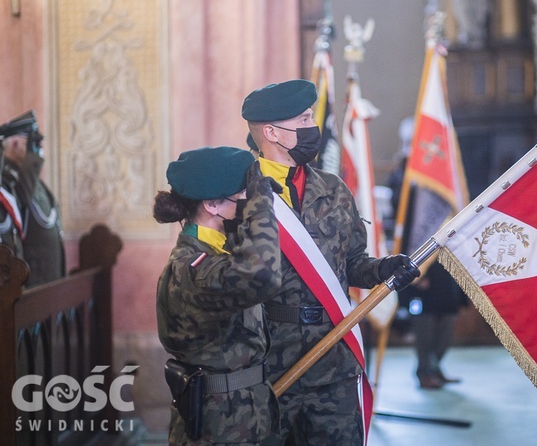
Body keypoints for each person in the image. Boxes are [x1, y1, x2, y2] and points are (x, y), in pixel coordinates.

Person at [241, 79, 420, 444]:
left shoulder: (333, 189)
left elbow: (352, 263)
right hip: (271, 362)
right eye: (304, 120)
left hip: (333, 361)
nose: (313, 128)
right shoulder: (242, 197)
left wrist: (383, 270)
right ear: (272, 132)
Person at [154, 146, 283, 444]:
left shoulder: (220, 252)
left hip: (247, 414)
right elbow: (263, 275)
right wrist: (261, 207)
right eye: (243, 197)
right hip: (220, 425)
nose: (247, 204)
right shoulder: (191, 268)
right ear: (213, 204)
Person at [386, 117, 467, 390]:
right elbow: (403, 222)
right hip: (418, 256)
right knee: (425, 317)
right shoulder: (403, 176)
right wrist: (415, 268)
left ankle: (436, 365)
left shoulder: (443, 174)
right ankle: (424, 370)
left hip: (445, 258)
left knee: (448, 314)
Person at [1, 110, 64, 287]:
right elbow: (22, 200)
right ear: (14, 143)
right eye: (32, 144)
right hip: (33, 279)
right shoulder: (9, 179)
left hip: (47, 279)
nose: (38, 151)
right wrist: (33, 160)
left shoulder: (26, 178)